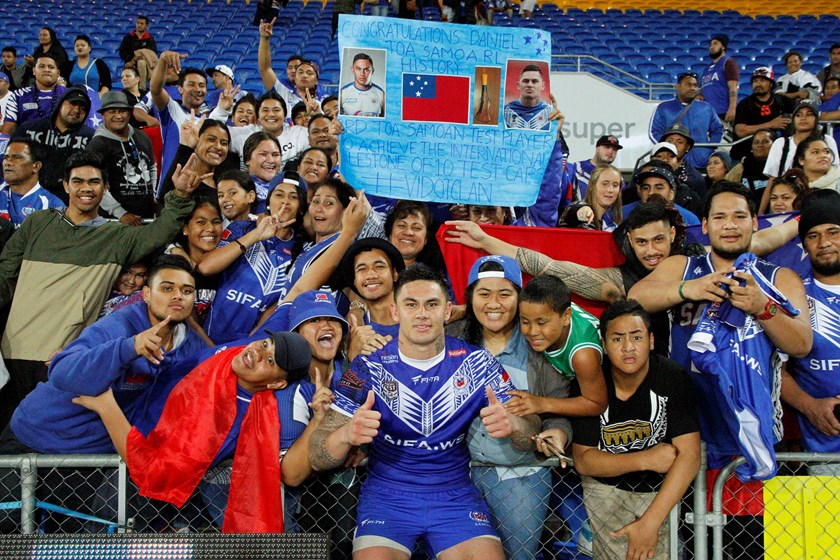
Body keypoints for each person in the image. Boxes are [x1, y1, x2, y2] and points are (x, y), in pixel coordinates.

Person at [309, 264, 540, 560]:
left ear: (447, 311)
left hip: (455, 498)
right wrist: (346, 434)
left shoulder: (477, 364)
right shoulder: (368, 367)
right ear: (395, 312)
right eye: (411, 304)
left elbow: (531, 432)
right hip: (387, 500)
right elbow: (317, 455)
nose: (421, 313)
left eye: (432, 304)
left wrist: (514, 425)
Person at [0, 150, 200, 417]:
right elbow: (5, 275)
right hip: (13, 350)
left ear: (105, 187)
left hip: (61, 357)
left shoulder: (116, 235)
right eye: (78, 181)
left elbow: (159, 231)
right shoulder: (38, 222)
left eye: (94, 182)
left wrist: (180, 196)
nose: (86, 188)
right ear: (65, 185)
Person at [628, 182, 812, 472]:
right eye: (719, 217)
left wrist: (762, 307)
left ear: (753, 222)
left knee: (747, 519)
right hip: (689, 428)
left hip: (754, 432)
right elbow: (636, 297)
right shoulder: (683, 266)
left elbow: (801, 344)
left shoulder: (779, 277)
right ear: (704, 225)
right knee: (688, 517)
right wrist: (690, 288)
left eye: (739, 216)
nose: (729, 225)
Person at [72, 330, 312, 533]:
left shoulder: (226, 421)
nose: (256, 353)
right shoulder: (231, 359)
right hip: (133, 427)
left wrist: (107, 406)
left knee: (103, 544)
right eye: (264, 344)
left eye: (270, 361)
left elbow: (152, 471)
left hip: (138, 490)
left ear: (276, 384)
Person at [6, 254, 205, 455]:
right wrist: (129, 348)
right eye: (167, 288)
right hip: (35, 436)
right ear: (146, 294)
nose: (178, 295)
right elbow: (60, 370)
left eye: (187, 291)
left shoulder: (193, 349)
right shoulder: (119, 325)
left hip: (94, 455)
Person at [448, 255, 572, 560]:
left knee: (517, 555)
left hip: (522, 478)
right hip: (455, 479)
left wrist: (557, 433)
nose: (494, 303)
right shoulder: (449, 339)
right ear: (470, 297)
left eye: (504, 294)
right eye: (483, 294)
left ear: (519, 297)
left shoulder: (537, 343)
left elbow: (559, 406)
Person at [572, 300, 701, 560]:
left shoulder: (671, 376)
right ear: (604, 344)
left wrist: (650, 523)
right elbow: (584, 461)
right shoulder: (590, 379)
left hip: (658, 490)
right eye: (618, 339)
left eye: (637, 337)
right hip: (605, 488)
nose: (628, 347)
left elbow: (690, 456)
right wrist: (646, 459)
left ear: (651, 341)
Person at [200, 175, 306, 344]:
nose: (285, 202)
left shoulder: (302, 250)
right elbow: (206, 267)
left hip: (251, 344)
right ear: (269, 201)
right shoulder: (241, 229)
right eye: (279, 194)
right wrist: (256, 235)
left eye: (293, 197)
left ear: (301, 207)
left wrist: (253, 341)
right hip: (213, 335)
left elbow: (280, 303)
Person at [781, 190, 840, 472]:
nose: (824, 243)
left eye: (833, 232)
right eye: (813, 236)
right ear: (804, 244)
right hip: (823, 451)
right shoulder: (792, 295)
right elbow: (772, 369)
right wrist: (810, 407)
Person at [86, 91, 158, 223]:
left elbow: (152, 167)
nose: (118, 116)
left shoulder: (142, 136)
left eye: (122, 111)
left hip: (146, 216)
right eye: (112, 111)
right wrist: (120, 213)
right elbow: (94, 183)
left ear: (129, 113)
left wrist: (152, 195)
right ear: (103, 114)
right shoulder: (96, 145)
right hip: (114, 221)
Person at [13, 85, 94, 200]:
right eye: (73, 103)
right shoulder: (29, 129)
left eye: (83, 108)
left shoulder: (90, 137)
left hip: (69, 200)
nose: (77, 110)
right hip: (28, 195)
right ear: (60, 104)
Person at [760, 99, 839, 213]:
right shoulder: (781, 143)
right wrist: (761, 213)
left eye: (809, 114)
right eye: (798, 115)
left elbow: (835, 171)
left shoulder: (827, 140)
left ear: (816, 118)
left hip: (825, 194)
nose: (803, 118)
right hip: (785, 202)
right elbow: (772, 181)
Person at [150, 53, 210, 193]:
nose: (198, 89)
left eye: (202, 85)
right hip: (169, 192)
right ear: (180, 89)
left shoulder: (209, 121)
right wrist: (163, 61)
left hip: (199, 194)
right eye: (191, 84)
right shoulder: (173, 110)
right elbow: (155, 89)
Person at [332, 237, 405, 342]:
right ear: (354, 281)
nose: (371, 275)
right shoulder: (347, 326)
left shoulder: (416, 315)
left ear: (395, 274)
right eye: (362, 269)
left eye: (379, 267)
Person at [650, 71, 724, 169]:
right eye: (688, 84)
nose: (693, 88)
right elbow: (654, 132)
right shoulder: (663, 107)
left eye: (695, 85)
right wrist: (668, 150)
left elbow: (717, 129)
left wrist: (708, 149)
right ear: (678, 87)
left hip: (701, 163)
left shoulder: (706, 108)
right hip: (672, 164)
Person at [731, 67, 795, 160]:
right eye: (755, 81)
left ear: (771, 84)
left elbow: (800, 112)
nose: (758, 84)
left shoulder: (781, 100)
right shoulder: (745, 104)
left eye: (762, 80)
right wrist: (771, 124)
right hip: (744, 156)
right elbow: (740, 131)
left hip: (775, 155)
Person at [0, 138, 64, 228]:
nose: (8, 163)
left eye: (17, 157)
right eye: (6, 158)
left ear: (36, 166)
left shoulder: (52, 205)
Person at [2, 52, 67, 136]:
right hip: (27, 146)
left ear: (58, 73)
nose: (46, 70)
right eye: (42, 66)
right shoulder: (18, 95)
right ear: (34, 71)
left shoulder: (69, 95)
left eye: (51, 67)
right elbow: (9, 129)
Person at [624, 164, 700, 226]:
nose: (651, 192)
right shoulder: (622, 214)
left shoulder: (689, 219)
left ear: (671, 194)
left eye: (659, 188)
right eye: (646, 188)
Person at [725, 128, 775, 206]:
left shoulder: (780, 168)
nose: (760, 145)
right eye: (756, 142)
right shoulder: (741, 167)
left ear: (774, 144)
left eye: (765, 141)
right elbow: (726, 189)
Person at [700, 33, 738, 123]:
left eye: (715, 43)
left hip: (724, 112)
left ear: (723, 47)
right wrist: (699, 95)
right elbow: (702, 89)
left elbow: (733, 87)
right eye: (711, 44)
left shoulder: (728, 62)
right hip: (708, 114)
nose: (712, 47)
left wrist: (732, 108)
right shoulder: (706, 69)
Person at [573, 135, 625, 199]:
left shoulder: (618, 178)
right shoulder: (576, 168)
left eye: (614, 149)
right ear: (597, 148)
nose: (611, 151)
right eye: (607, 147)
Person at [504, 64, 553, 130]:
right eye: (525, 81)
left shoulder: (551, 113)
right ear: (518, 85)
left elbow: (557, 140)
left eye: (534, 81)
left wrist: (557, 132)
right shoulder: (505, 112)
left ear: (542, 86)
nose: (529, 85)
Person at [243, 131, 282, 212]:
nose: (271, 160)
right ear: (247, 159)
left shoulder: (288, 187)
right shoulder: (238, 188)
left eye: (275, 155)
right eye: (263, 154)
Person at [340, 53, 385, 118]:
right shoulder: (343, 93)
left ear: (372, 71)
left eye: (366, 69)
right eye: (358, 69)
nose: (362, 74)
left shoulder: (381, 94)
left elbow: (386, 120)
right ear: (352, 70)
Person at [118, 15, 158, 87]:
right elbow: (122, 51)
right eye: (137, 23)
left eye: (142, 24)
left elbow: (152, 54)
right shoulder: (128, 37)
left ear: (146, 26)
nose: (139, 25)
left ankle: (141, 88)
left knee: (141, 62)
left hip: (145, 65)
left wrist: (134, 60)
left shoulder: (150, 39)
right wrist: (129, 60)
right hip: (129, 63)